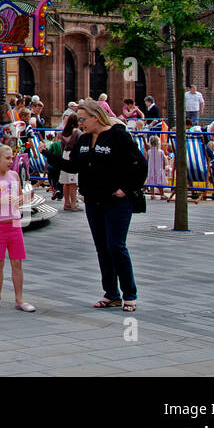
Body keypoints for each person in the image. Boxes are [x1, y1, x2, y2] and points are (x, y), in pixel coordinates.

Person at [57, 100, 147, 312]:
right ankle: (111, 294)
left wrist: (126, 188)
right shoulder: (85, 139)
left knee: (116, 246)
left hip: (116, 201)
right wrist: (49, 156)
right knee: (102, 248)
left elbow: (140, 165)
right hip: (93, 201)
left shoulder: (118, 135)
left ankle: (130, 294)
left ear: (95, 117)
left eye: (83, 119)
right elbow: (75, 166)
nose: (80, 123)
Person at [0, 142, 34, 312]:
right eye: (7, 158)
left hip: (14, 223)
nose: (11, 161)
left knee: (17, 262)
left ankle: (19, 299)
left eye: (12, 158)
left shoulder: (14, 176)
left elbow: (19, 199)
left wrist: (25, 198)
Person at [58, 112, 82, 211]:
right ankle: (73, 204)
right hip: (73, 156)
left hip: (65, 155)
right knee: (73, 182)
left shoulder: (63, 133)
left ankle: (66, 203)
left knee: (65, 182)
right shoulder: (77, 133)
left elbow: (62, 147)